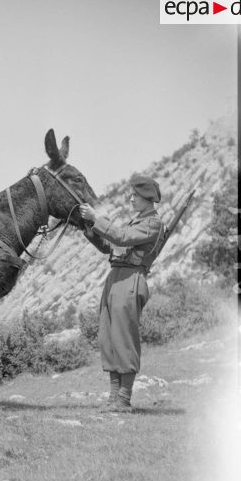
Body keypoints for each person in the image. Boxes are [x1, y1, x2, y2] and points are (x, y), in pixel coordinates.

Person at [79, 175, 164, 413]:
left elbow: (121, 238)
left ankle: (124, 399)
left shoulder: (152, 223)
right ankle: (113, 398)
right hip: (116, 277)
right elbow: (111, 246)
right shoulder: (136, 221)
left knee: (124, 338)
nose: (131, 199)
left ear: (148, 198)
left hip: (131, 280)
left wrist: (97, 218)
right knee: (109, 337)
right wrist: (89, 227)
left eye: (135, 196)